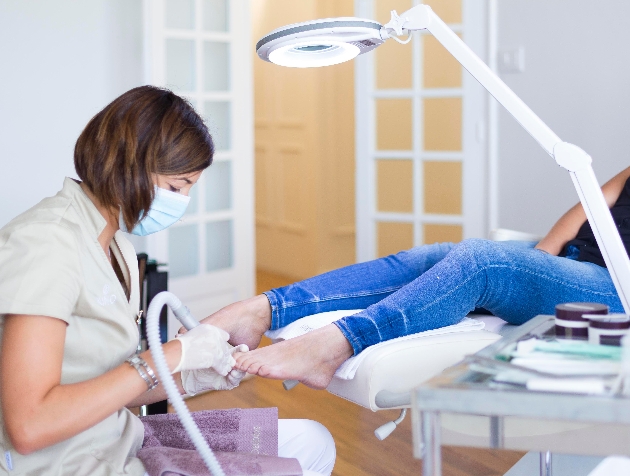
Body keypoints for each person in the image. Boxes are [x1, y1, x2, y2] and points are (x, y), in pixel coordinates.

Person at [0, 86, 335, 476]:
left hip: (117, 437)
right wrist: (173, 353)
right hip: (68, 464)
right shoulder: (46, 244)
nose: (181, 203)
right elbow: (29, 426)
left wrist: (192, 375)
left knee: (312, 441)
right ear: (130, 164)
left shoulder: (117, 249)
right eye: (176, 188)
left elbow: (108, 388)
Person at [202, 166, 630, 390]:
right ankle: (262, 308)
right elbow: (588, 208)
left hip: (615, 287)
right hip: (572, 261)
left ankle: (332, 345)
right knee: (441, 255)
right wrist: (539, 261)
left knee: (482, 261)